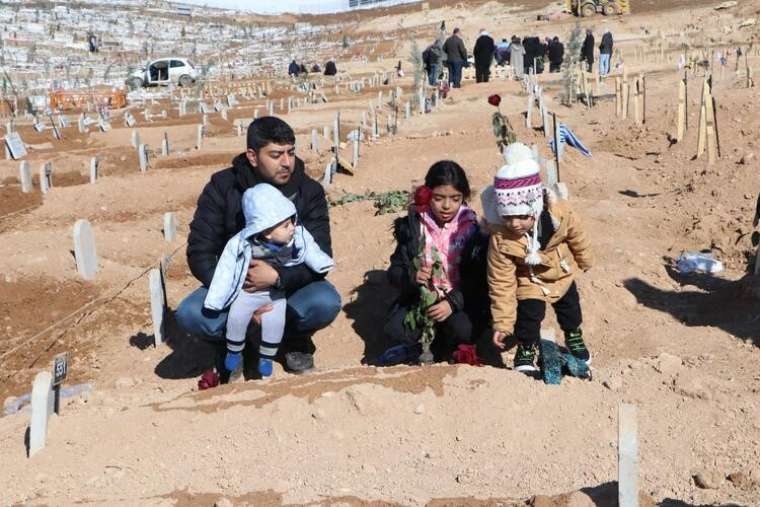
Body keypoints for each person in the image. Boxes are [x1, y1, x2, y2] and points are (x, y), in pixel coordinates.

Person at [175, 117, 341, 378]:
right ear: (252, 156)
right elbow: (200, 251)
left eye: (290, 153)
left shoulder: (308, 191)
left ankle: (293, 341)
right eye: (275, 155)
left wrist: (278, 279)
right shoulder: (223, 187)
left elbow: (320, 253)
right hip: (237, 284)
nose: (286, 162)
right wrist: (241, 288)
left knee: (324, 302)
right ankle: (234, 347)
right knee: (191, 314)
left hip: (288, 285)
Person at [204, 184, 335, 379]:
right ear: (266, 231)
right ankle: (234, 351)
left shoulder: (297, 237)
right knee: (236, 319)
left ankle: (266, 357)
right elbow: (225, 269)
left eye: (292, 221)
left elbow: (314, 252)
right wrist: (217, 299)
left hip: (276, 295)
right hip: (247, 293)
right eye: (285, 225)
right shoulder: (241, 243)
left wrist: (321, 264)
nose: (293, 227)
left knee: (275, 324)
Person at [483, 143, 593, 373]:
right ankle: (526, 348)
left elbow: (577, 234)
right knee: (529, 315)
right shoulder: (502, 238)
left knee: (570, 308)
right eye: (508, 217)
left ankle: (574, 336)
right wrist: (502, 323)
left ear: (535, 207)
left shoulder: (558, 215)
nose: (514, 223)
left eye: (521, 216)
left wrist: (585, 259)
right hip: (529, 280)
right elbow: (500, 282)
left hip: (560, 271)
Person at [383, 161, 488, 363]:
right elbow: (395, 270)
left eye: (455, 199)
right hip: (422, 301)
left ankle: (451, 347)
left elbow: (478, 278)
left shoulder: (472, 230)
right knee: (398, 329)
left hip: (459, 301)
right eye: (439, 198)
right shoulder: (414, 227)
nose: (447, 206)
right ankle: (426, 346)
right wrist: (412, 277)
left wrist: (452, 302)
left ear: (464, 197)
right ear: (428, 194)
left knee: (463, 329)